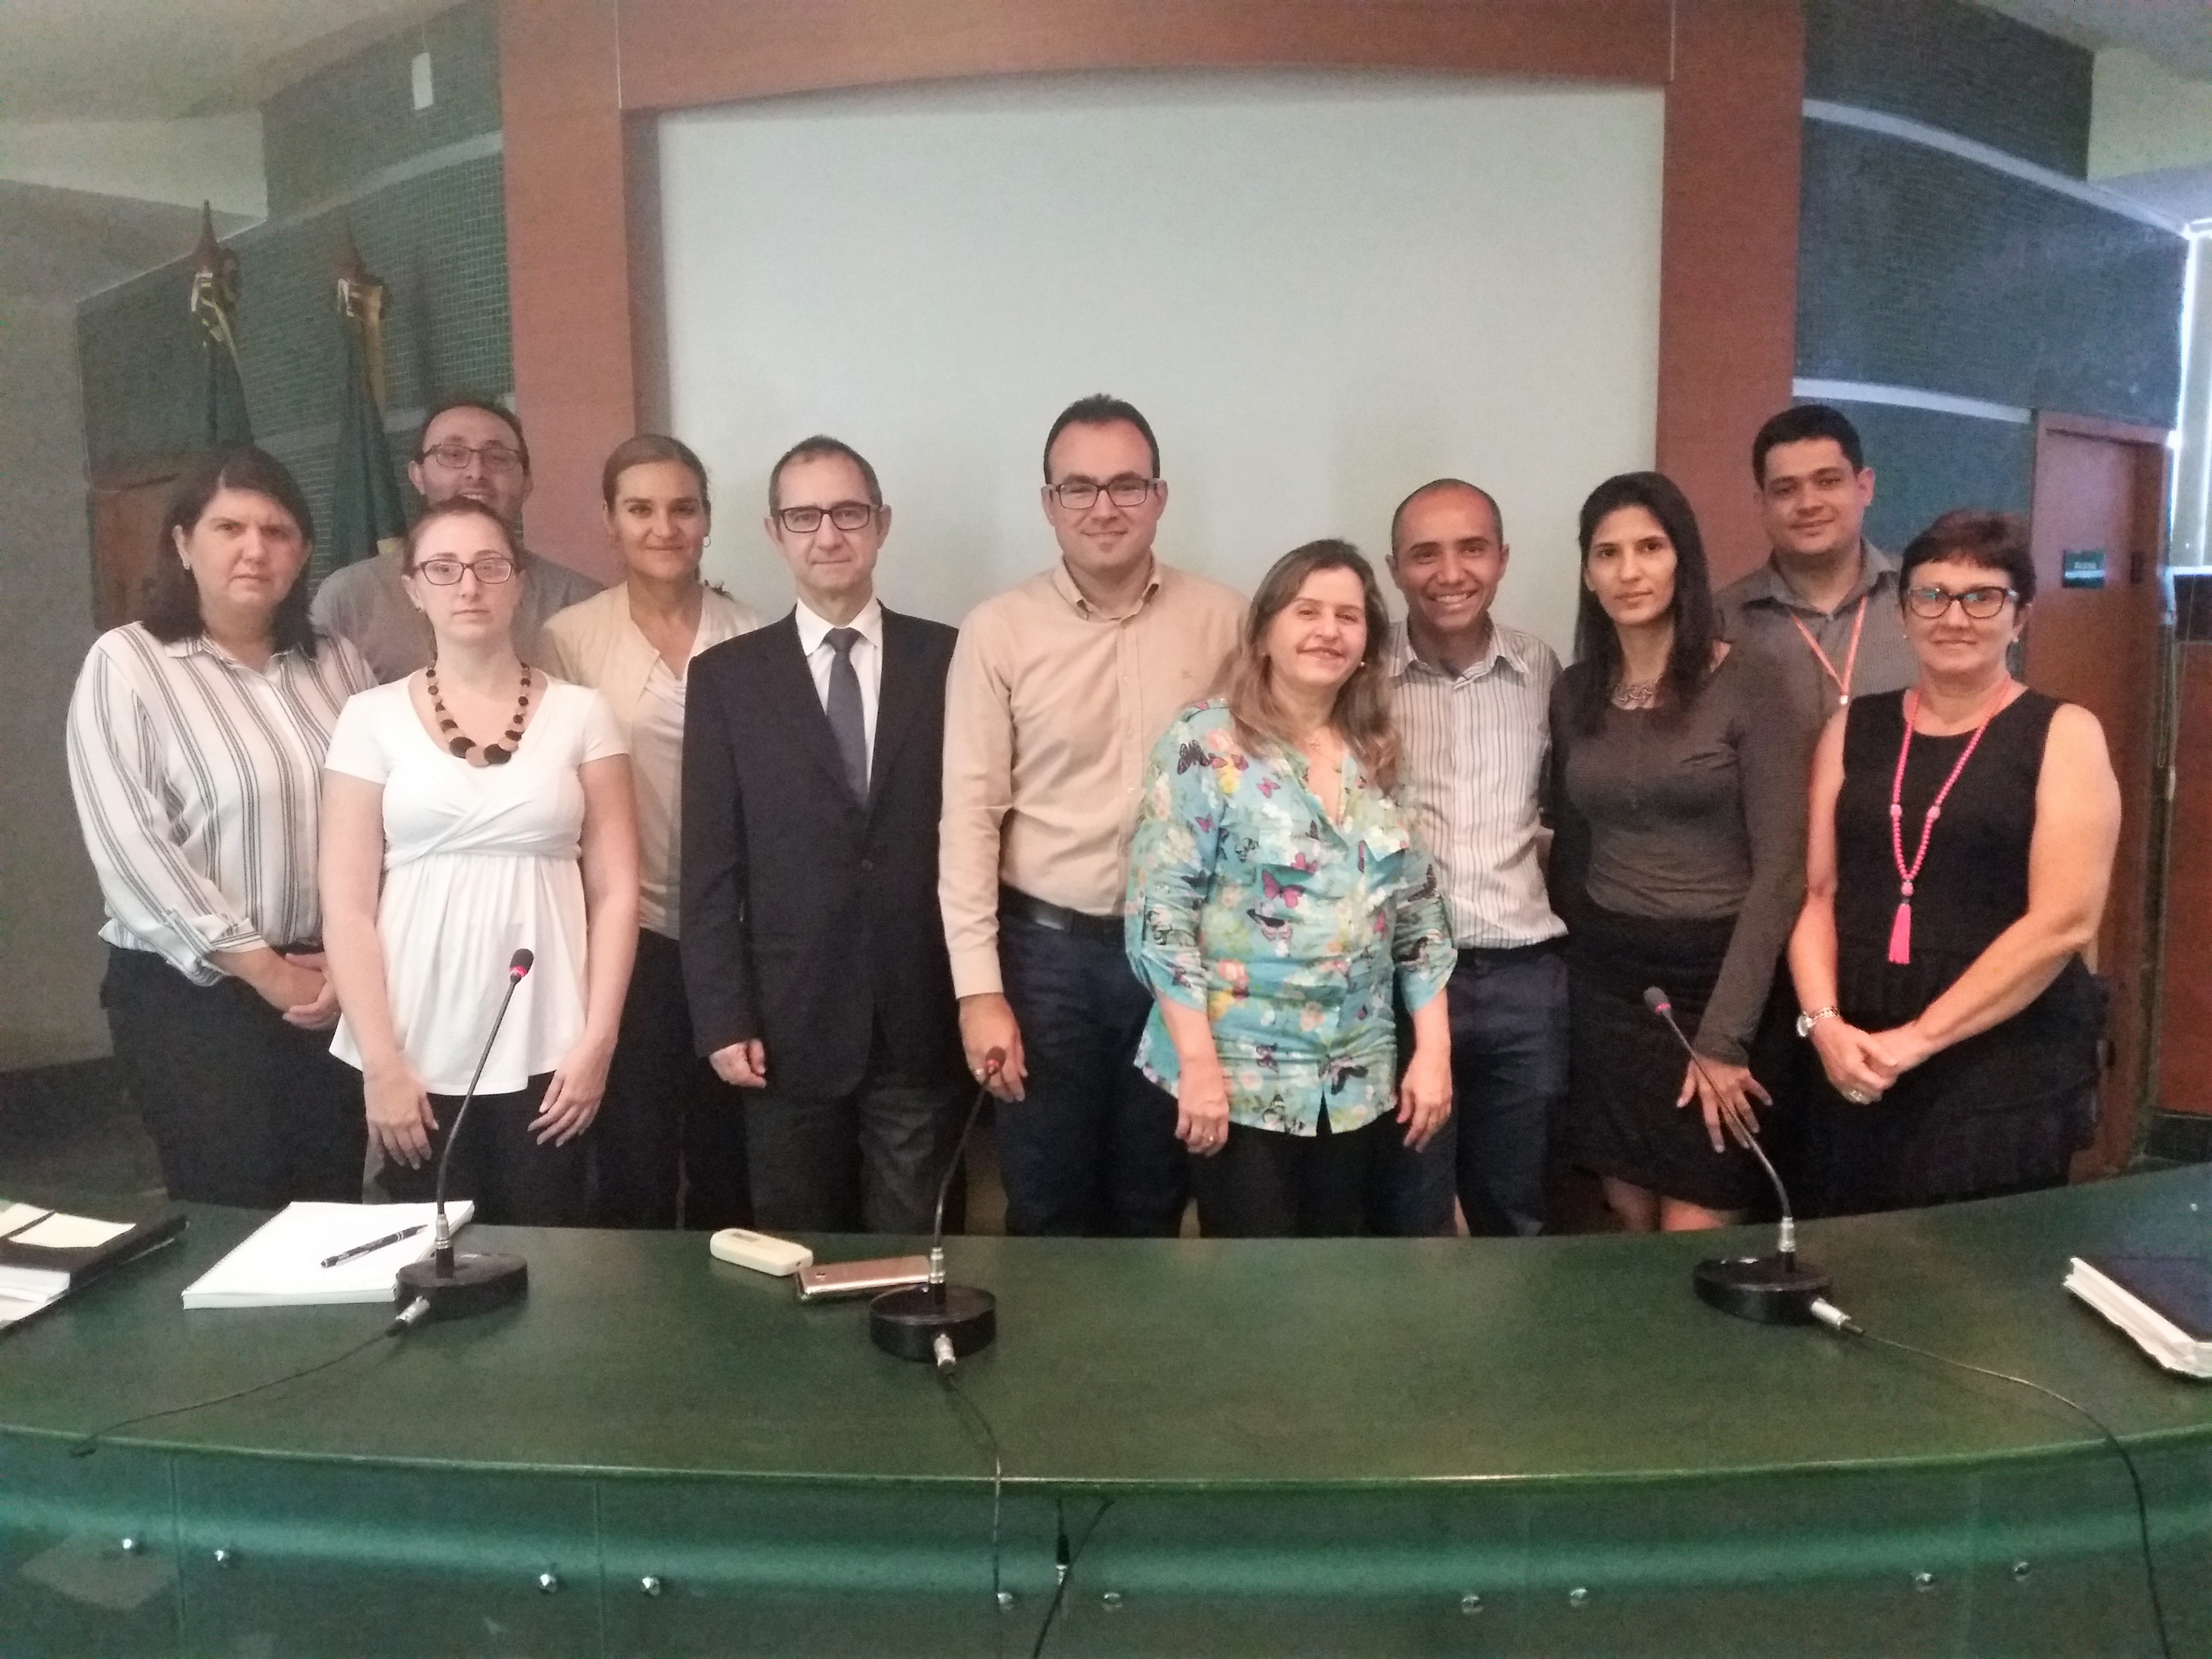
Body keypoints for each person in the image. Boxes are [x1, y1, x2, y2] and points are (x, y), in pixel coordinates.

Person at [941, 394, 1244, 1236]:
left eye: (1125, 485)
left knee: (1156, 1199)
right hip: (1047, 963)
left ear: (1159, 496)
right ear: (1049, 503)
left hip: (1180, 963)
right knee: (1044, 1200)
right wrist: (979, 992)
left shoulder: (1227, 621)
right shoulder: (998, 632)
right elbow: (968, 817)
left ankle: (1138, 1369)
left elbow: (1260, 798)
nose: (1103, 507)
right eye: (1078, 488)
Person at [65, 446, 377, 1207]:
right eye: (229, 527)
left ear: (302, 552)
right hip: (194, 1002)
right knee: (232, 1215)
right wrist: (267, 972)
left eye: (277, 531)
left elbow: (386, 814)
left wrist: (346, 964)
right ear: (182, 543)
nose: (254, 549)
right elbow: (133, 847)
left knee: (330, 1208)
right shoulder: (128, 664)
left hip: (331, 987)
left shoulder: (337, 663)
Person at [320, 499, 639, 1225]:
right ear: (413, 588)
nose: (469, 586)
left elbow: (617, 891)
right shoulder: (369, 719)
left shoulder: (583, 714)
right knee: (429, 1255)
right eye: (444, 568)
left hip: (550, 1043)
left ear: (519, 580)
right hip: (413, 1045)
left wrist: (598, 1042)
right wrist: (382, 1064)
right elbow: (346, 905)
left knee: (553, 1257)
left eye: (490, 566)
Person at [1789, 511, 2117, 1214]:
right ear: (1904, 615)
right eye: (1931, 596)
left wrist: (1918, 1040)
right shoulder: (1854, 728)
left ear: (2020, 616)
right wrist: (1824, 1026)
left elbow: (2063, 922)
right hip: (1857, 1053)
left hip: (2002, 1056)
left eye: (1982, 596)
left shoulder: (2063, 733)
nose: (1954, 617)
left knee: (1972, 1289)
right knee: (1850, 1263)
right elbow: (1818, 895)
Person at [1127, 541, 1455, 1237]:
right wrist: (1199, 1067)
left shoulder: (1379, 750)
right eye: (1307, 611)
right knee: (1255, 1295)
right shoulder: (1204, 741)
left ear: (1368, 642)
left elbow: (1420, 916)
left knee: (1336, 1285)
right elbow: (1161, 917)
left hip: (1356, 1073)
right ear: (1265, 630)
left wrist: (1434, 1053)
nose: (1328, 630)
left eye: (1348, 616)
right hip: (1235, 1070)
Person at [683, 436, 967, 1233]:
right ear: (775, 532)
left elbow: (981, 837)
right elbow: (708, 868)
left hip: (920, 1014)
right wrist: (722, 1016)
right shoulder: (727, 680)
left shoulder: (950, 659)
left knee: (917, 1259)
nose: (828, 535)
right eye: (804, 516)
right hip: (784, 1023)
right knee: (795, 1248)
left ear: (881, 523)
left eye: (847, 512)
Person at [1548, 472, 1808, 1232]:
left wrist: (1725, 1040)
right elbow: (1571, 842)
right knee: (1628, 1214)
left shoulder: (1753, 682)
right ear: (1588, 574)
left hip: (1717, 987)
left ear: (1682, 561)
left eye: (1649, 548)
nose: (1629, 572)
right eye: (1607, 554)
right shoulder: (1574, 693)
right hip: (1608, 990)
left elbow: (1782, 875)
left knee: (1694, 1228)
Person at [541, 435, 762, 1229]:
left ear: (707, 520)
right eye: (640, 509)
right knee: (631, 1157)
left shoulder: (755, 636)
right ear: (610, 521)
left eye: (683, 508)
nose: (663, 527)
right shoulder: (568, 640)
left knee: (728, 1159)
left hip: (732, 938)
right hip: (622, 935)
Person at [1376, 480, 1567, 1237]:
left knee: (1515, 1211)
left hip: (1522, 982)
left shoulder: (1541, 670)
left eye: (1472, 549)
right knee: (1408, 1212)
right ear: (1395, 568)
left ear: (1503, 559)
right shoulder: (1357, 675)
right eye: (1425, 553)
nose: (1449, 572)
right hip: (1397, 984)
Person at [311, 396, 601, 681]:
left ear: (527, 484)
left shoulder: (578, 601)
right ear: (418, 475)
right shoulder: (348, 600)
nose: (476, 473)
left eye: (498, 458)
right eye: (452, 454)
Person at [1717, 405, 1916, 742]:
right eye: (1785, 490)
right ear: (1761, 503)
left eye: (1827, 482)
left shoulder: (1925, 600)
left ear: (1865, 487)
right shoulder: (1720, 623)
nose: (1808, 503)